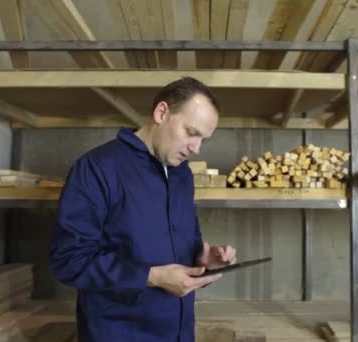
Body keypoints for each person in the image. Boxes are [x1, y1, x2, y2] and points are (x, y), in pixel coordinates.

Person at [50, 77, 237, 342]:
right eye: (192, 133)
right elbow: (69, 260)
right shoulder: (97, 168)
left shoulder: (182, 174)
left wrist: (203, 260)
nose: (196, 149)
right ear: (161, 113)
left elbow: (182, 244)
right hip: (118, 333)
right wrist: (153, 277)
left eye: (203, 139)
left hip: (179, 332)